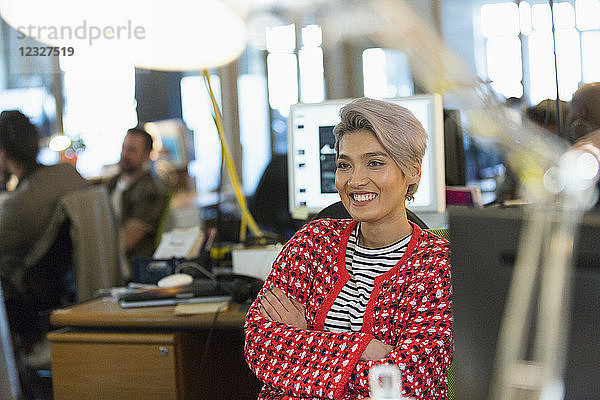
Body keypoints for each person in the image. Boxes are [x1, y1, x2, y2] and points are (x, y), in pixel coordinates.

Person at [244, 98, 453, 399]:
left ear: (413, 171)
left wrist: (304, 341)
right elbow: (259, 345)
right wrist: (366, 348)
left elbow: (408, 382)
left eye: (375, 162)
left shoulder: (437, 264)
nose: (355, 180)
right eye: (344, 165)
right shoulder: (312, 242)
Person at [0, 110, 88, 346]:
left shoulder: (20, 204)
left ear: (3, 152)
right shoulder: (69, 174)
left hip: (30, 306)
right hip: (73, 294)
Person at [107, 128, 168, 271]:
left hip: (130, 267)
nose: (124, 154)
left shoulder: (151, 191)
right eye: (124, 148)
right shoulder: (112, 183)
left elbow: (126, 241)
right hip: (108, 260)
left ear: (147, 155)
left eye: (132, 150)